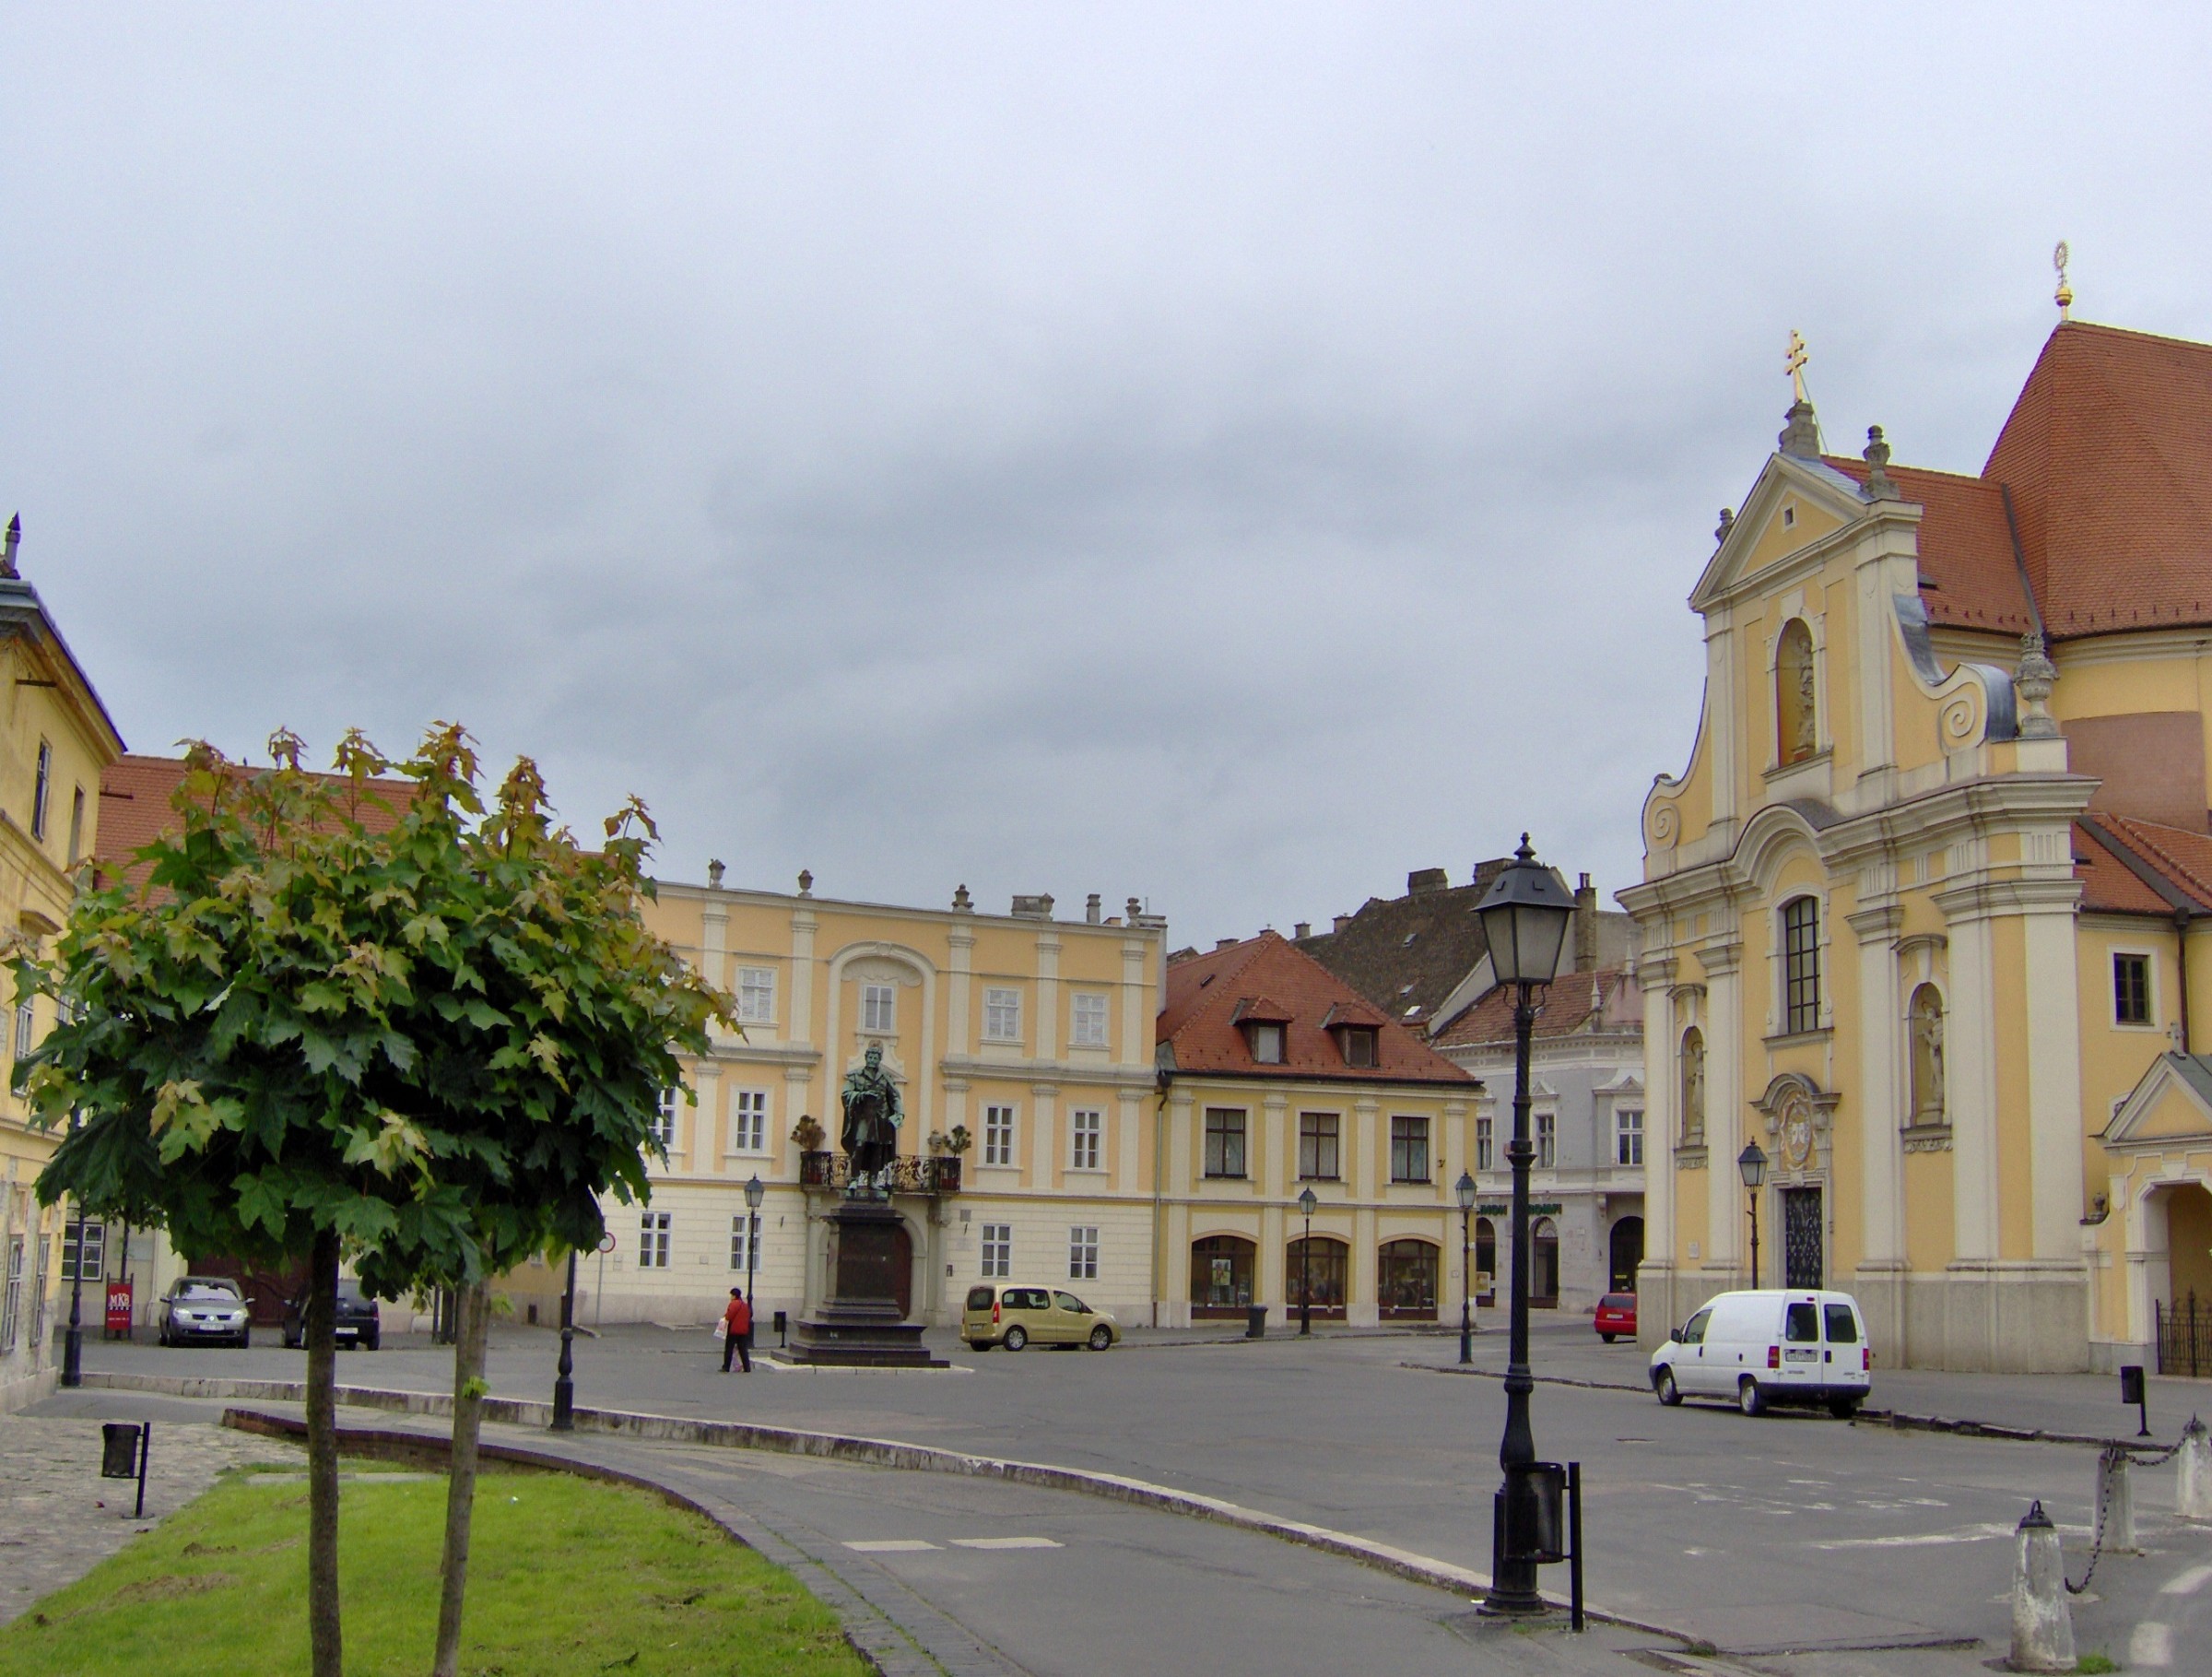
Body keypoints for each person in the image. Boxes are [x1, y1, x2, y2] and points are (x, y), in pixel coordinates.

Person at [721, 1285, 753, 1373]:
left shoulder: (733, 1304)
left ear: (734, 1296)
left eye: (731, 1295)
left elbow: (729, 1316)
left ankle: (726, 1367)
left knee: (729, 1349)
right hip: (743, 1330)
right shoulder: (745, 1305)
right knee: (743, 1350)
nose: (730, 1297)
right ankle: (747, 1367)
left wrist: (724, 1318)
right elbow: (749, 1315)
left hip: (733, 1330)